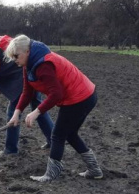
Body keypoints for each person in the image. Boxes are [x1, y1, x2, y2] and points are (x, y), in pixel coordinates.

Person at [6, 34, 103, 182]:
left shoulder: (43, 65)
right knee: (69, 134)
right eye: (12, 57)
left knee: (57, 135)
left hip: (80, 97)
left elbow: (56, 94)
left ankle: (52, 174)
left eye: (16, 56)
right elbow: (27, 92)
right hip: (84, 95)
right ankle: (94, 170)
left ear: (27, 51)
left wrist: (36, 112)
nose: (15, 60)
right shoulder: (29, 65)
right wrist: (16, 113)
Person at [0, 32, 53, 157]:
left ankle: (11, 149)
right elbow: (8, 64)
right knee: (38, 109)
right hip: (31, 73)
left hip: (23, 79)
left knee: (13, 112)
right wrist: (1, 86)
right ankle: (53, 140)